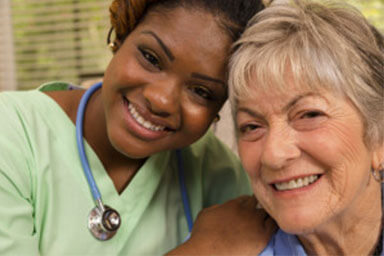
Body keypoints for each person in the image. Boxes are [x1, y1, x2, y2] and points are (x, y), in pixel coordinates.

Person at [0, 0, 276, 255]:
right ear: (121, 35)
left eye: (201, 92)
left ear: (220, 108)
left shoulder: (217, 171)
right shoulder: (11, 131)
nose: (161, 100)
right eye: (151, 58)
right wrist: (204, 249)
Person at [229, 0, 384, 255]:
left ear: (379, 138)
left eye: (309, 114)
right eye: (252, 126)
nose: (273, 155)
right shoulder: (216, 245)